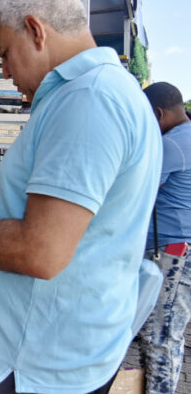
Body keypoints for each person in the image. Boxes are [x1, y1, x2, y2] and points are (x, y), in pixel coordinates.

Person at [0, 0, 161, 392]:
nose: (5, 72)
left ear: (36, 30)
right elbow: (45, 228)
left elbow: (38, 251)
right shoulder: (99, 92)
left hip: (28, 368)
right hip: (52, 356)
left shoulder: (88, 100)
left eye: (6, 54)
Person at [139, 81, 191, 394]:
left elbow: (136, 190)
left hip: (172, 254)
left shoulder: (172, 145)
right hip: (180, 252)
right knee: (171, 335)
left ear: (158, 114)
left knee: (159, 336)